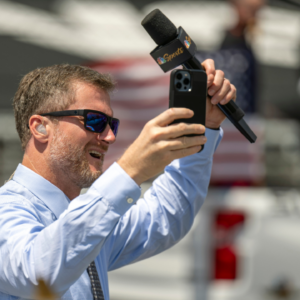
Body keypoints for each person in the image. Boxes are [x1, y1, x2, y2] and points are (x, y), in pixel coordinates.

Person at [0, 60, 236, 300]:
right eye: (94, 121)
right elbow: (38, 275)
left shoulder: (82, 215)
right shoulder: (6, 209)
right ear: (40, 128)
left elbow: (167, 216)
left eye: (111, 124)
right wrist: (129, 170)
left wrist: (203, 126)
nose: (109, 136)